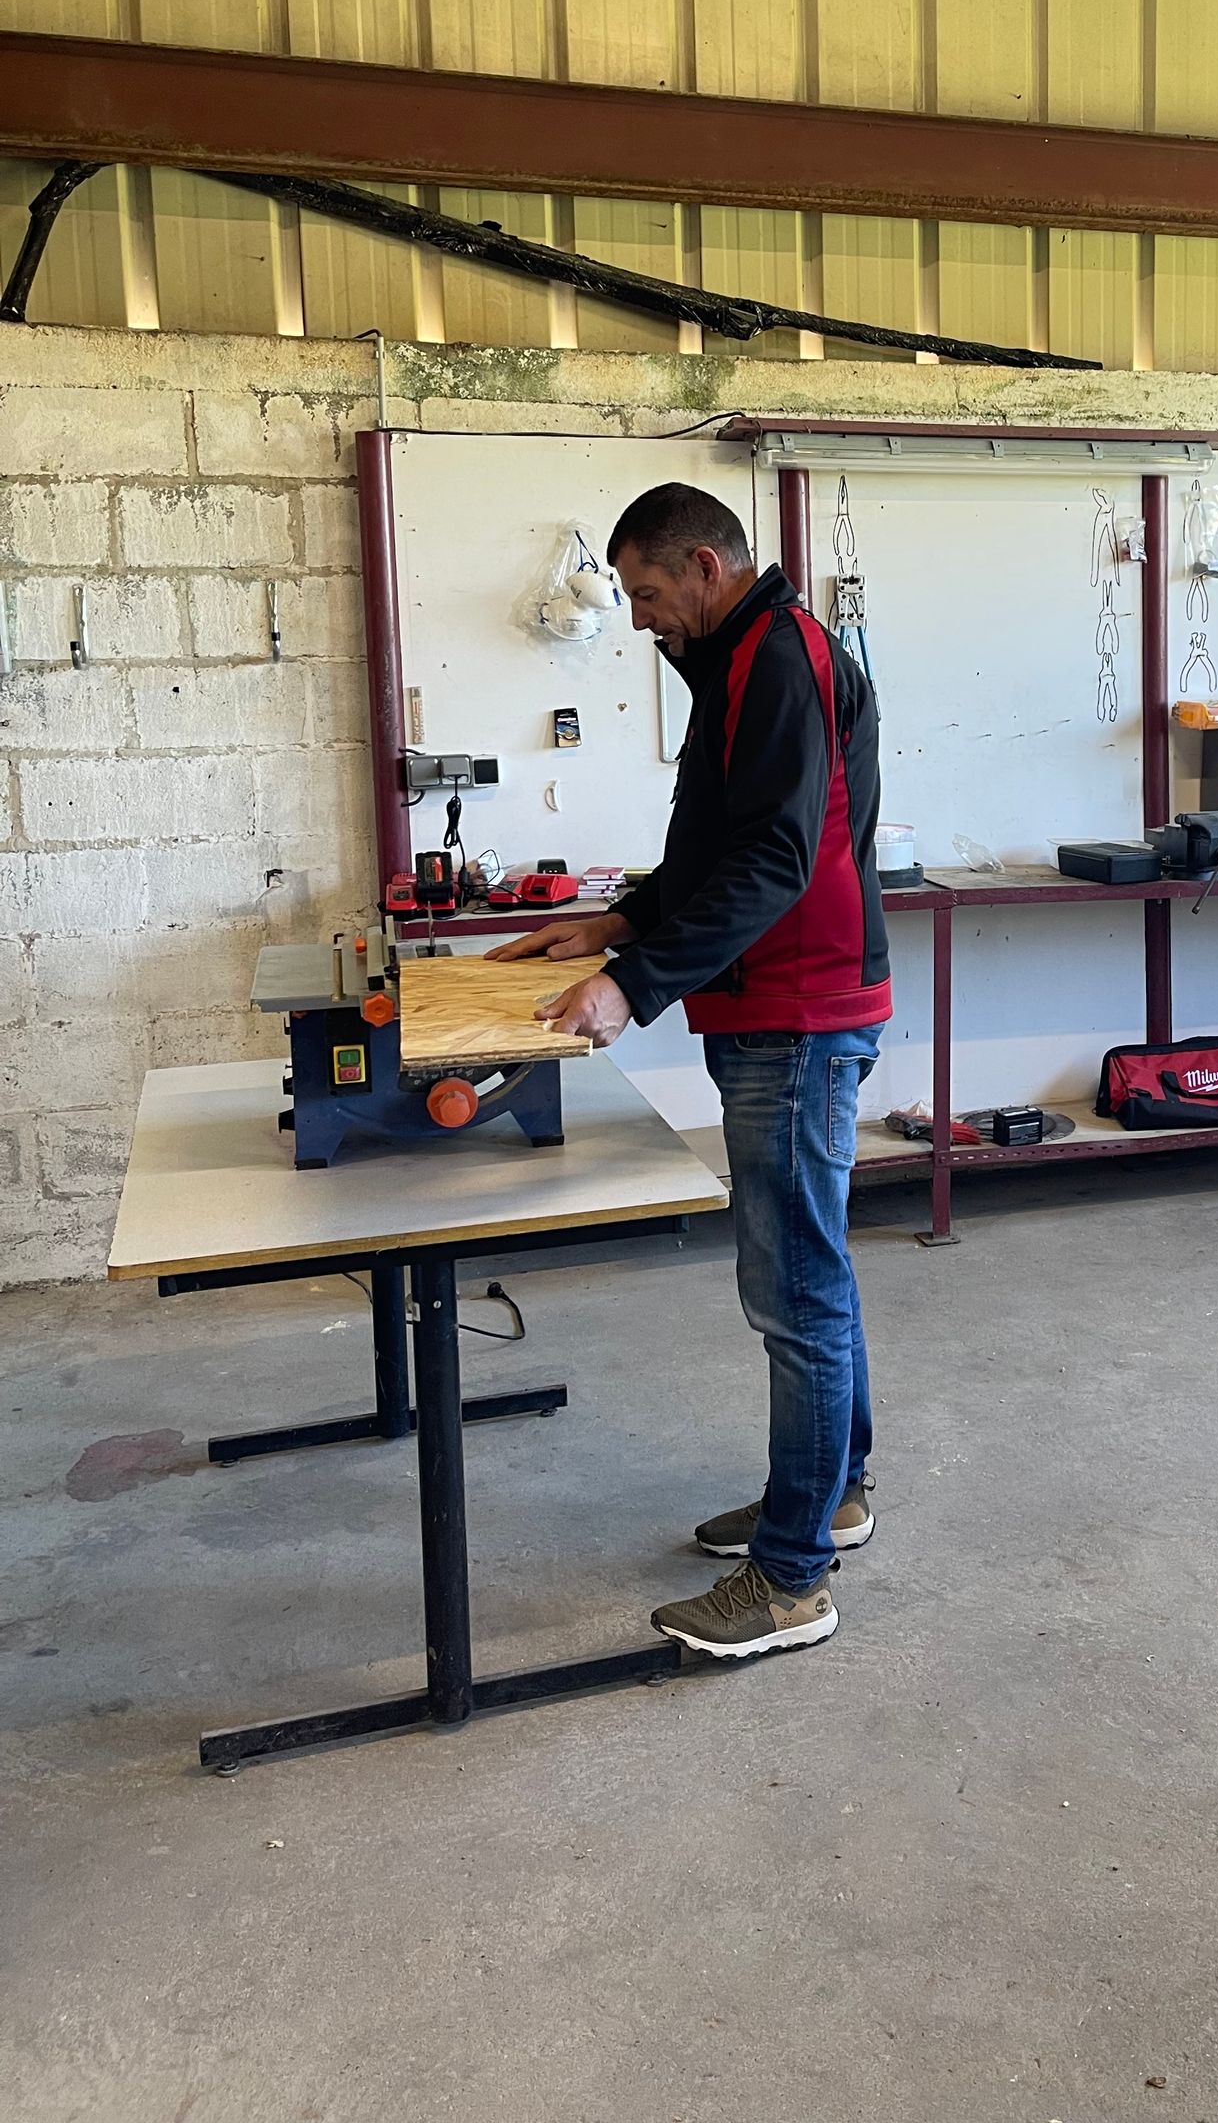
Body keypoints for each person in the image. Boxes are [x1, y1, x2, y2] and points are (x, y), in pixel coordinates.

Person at [489, 482, 891, 1661]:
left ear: (707, 567)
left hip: (797, 1012)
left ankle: (791, 1582)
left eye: (649, 592)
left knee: (795, 1291)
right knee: (812, 1272)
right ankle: (832, 1496)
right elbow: (719, 845)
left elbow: (775, 858)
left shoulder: (778, 659)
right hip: (780, 1003)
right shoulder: (740, 659)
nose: (639, 617)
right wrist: (622, 922)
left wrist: (634, 983)